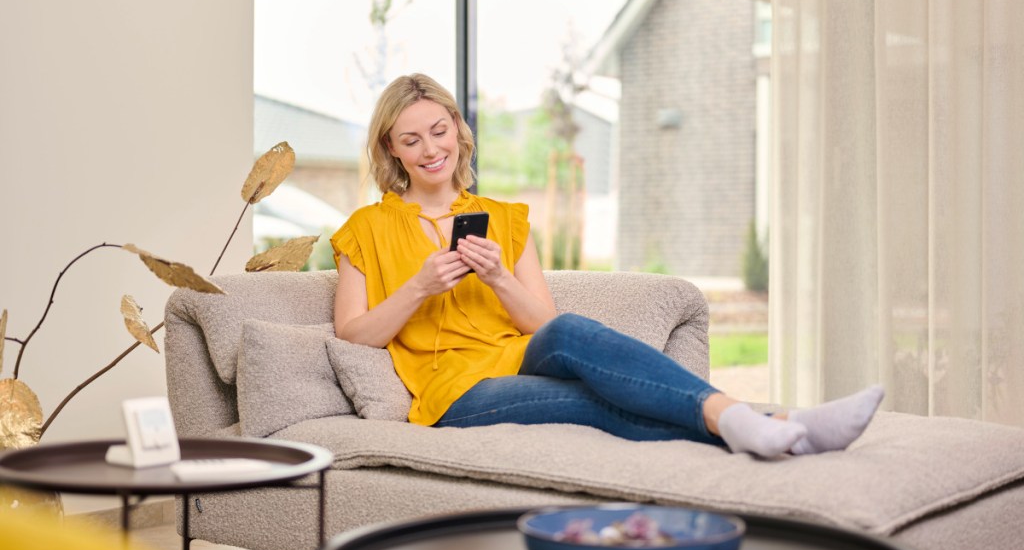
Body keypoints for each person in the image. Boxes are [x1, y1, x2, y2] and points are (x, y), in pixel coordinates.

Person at [331, 72, 884, 458]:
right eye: (411, 139)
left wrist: (498, 276)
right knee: (594, 400)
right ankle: (773, 426)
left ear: (457, 129)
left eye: (439, 130)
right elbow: (353, 335)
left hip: (521, 355)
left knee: (569, 329)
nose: (431, 149)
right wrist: (418, 288)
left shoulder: (505, 219)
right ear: (391, 149)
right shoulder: (366, 229)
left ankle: (754, 423)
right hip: (455, 392)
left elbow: (542, 328)